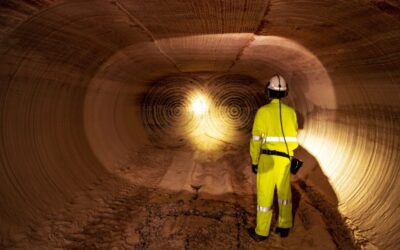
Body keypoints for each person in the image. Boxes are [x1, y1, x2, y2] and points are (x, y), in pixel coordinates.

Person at [248, 74, 299, 241]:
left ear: (268, 92)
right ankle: (284, 227)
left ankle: (262, 232)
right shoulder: (291, 113)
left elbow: (256, 140)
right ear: (285, 93)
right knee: (284, 195)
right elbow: (294, 138)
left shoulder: (263, 112)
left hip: (267, 160)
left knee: (265, 196)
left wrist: (255, 161)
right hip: (285, 160)